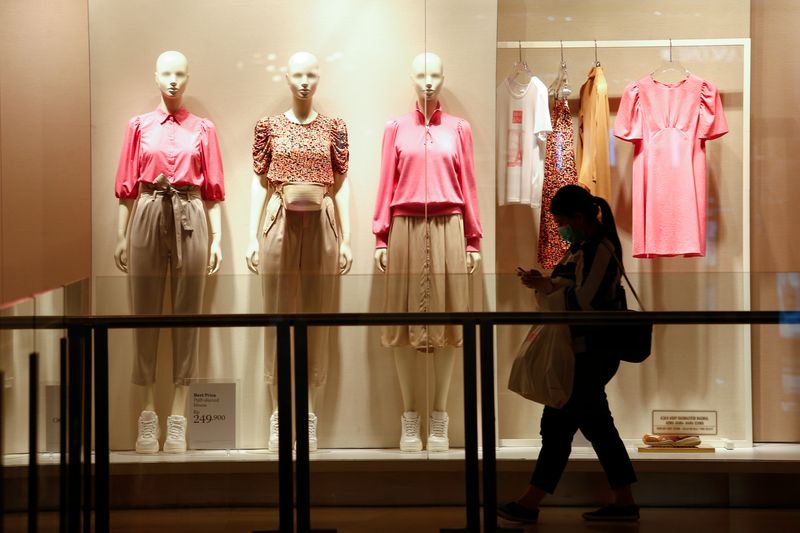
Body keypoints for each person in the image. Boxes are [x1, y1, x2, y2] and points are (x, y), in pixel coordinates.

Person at [498, 184, 638, 523]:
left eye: (561, 220)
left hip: (588, 353)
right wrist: (546, 283)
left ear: (577, 217)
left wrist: (546, 286)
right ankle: (623, 502)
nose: (560, 227)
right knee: (596, 428)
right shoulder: (584, 247)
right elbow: (573, 290)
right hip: (583, 353)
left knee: (560, 426)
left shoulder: (598, 250)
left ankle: (531, 503)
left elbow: (585, 302)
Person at [113, 50, 225, 454]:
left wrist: (216, 239)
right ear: (155, 75)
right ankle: (148, 413)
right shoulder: (138, 126)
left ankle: (177, 413)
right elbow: (126, 187)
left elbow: (212, 192)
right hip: (146, 210)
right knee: (143, 311)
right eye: (166, 73)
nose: (173, 80)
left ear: (188, 77)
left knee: (187, 311)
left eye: (180, 73)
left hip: (191, 212)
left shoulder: (204, 129)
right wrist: (122, 235)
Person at [373, 52, 482, 452]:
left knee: (450, 325)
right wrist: (381, 236)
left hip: (449, 223)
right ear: (411, 78)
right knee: (403, 324)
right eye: (421, 75)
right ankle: (409, 419)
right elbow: (386, 181)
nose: (428, 82)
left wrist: (473, 238)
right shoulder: (396, 128)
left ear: (443, 77)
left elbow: (467, 184)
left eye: (435, 74)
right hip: (404, 225)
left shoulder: (458, 128)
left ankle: (439, 417)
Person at [246, 51, 352, 452]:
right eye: (297, 74)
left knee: (319, 316)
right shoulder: (267, 127)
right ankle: (278, 414)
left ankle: (309, 413)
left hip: (322, 216)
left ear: (319, 77)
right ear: (286, 78)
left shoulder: (335, 128)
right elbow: (258, 183)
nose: (304, 81)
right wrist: (250, 236)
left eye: (311, 74)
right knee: (276, 313)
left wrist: (346, 236)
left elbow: (341, 182)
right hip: (277, 215)